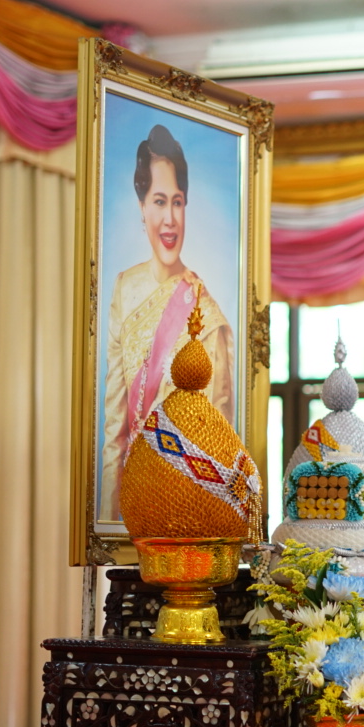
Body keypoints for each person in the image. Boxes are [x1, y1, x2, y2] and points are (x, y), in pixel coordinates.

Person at [100, 124, 235, 520]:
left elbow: (217, 439)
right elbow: (113, 431)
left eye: (178, 202)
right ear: (142, 206)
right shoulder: (125, 288)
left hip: (184, 507)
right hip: (132, 502)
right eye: (159, 201)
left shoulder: (205, 314)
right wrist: (111, 524)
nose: (170, 218)